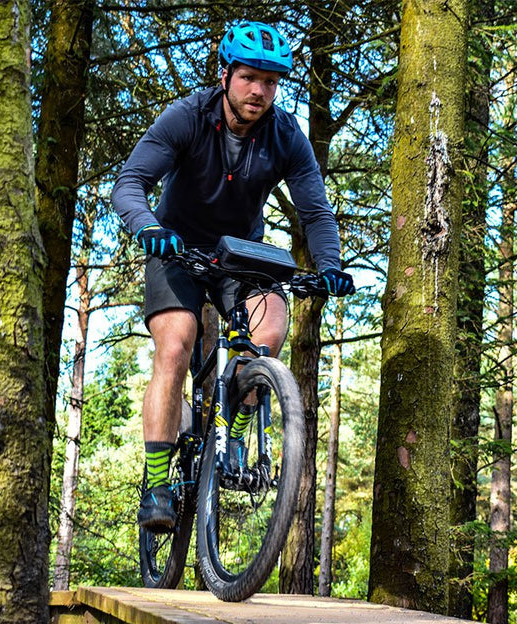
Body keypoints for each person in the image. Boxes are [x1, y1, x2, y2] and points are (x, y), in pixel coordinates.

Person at [112, 20, 354, 530]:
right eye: (249, 77)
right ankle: (157, 483)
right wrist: (149, 228)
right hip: (174, 247)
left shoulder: (286, 136)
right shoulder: (188, 117)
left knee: (268, 330)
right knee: (176, 344)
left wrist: (329, 266)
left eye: (270, 82)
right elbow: (130, 182)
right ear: (225, 75)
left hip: (240, 255)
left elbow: (315, 213)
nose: (260, 91)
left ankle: (235, 433)